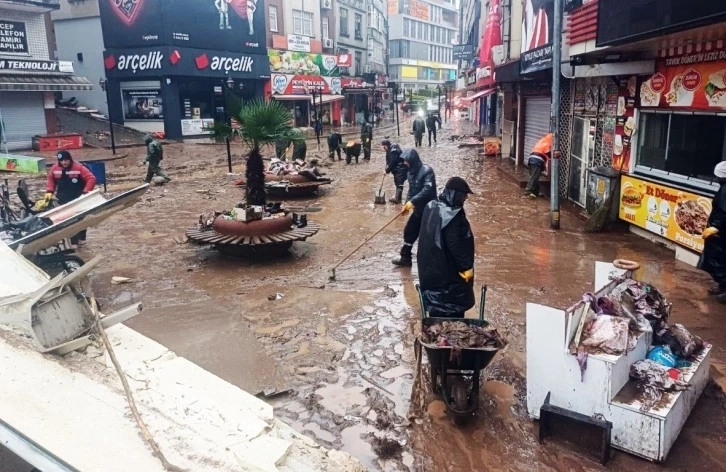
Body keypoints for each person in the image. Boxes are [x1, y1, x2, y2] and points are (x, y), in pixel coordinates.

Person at [417, 177, 475, 318]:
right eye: (463, 194)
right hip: (449, 274)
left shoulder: (431, 206)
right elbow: (455, 245)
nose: (466, 197)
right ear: (454, 194)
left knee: (436, 311)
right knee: (452, 314)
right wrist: (465, 267)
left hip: (430, 272)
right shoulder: (453, 215)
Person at [392, 149, 437, 267]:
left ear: (413, 160)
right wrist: (406, 204)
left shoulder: (427, 171)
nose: (405, 164)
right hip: (418, 210)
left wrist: (413, 201)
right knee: (409, 231)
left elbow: (428, 189)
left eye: (406, 161)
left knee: (428, 237)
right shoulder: (410, 173)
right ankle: (405, 258)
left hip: (430, 210)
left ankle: (431, 261)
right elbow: (411, 190)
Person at [44, 151, 97, 246]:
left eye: (66, 160)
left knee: (80, 220)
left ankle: (81, 239)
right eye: (61, 161)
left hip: (78, 198)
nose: (64, 163)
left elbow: (91, 179)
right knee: (68, 221)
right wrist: (49, 191)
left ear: (70, 159)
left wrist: (86, 192)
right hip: (63, 199)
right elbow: (51, 179)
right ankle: (73, 242)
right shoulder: (55, 168)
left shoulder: (79, 167)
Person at [698, 161, 726, 304]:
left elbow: (723, 211)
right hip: (720, 232)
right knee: (717, 260)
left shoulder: (725, 190)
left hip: (721, 233)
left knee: (718, 260)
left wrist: (715, 226)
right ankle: (722, 286)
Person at [525, 132, 554, 198]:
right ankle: (528, 191)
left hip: (532, 158)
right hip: (537, 160)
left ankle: (535, 192)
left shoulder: (543, 140)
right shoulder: (547, 143)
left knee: (535, 176)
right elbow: (548, 153)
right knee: (534, 177)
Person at [382, 139, 406, 203]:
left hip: (400, 169)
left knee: (399, 183)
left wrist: (387, 171)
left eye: (384, 146)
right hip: (398, 169)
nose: (383, 148)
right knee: (397, 182)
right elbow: (389, 161)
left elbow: (392, 162)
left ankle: (397, 199)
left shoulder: (393, 151)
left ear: (386, 146)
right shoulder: (390, 149)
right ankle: (398, 197)